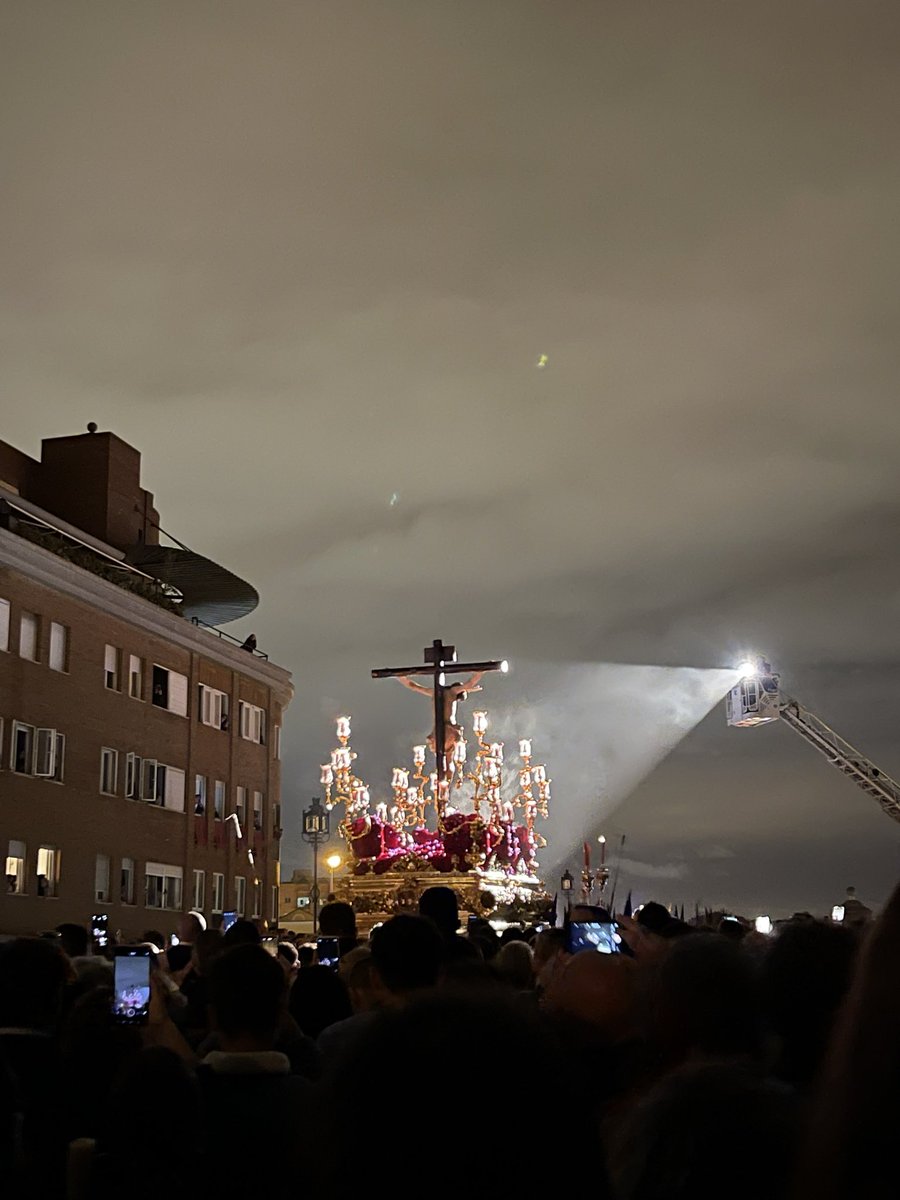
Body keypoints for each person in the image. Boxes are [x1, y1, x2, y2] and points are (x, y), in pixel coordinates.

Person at [395, 670, 484, 768]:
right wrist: (479, 673)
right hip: (449, 729)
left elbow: (414, 687)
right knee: (448, 760)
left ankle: (443, 780)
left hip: (438, 729)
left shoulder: (434, 692)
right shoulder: (453, 691)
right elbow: (469, 683)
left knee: (441, 761)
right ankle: (445, 780)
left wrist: (401, 678)